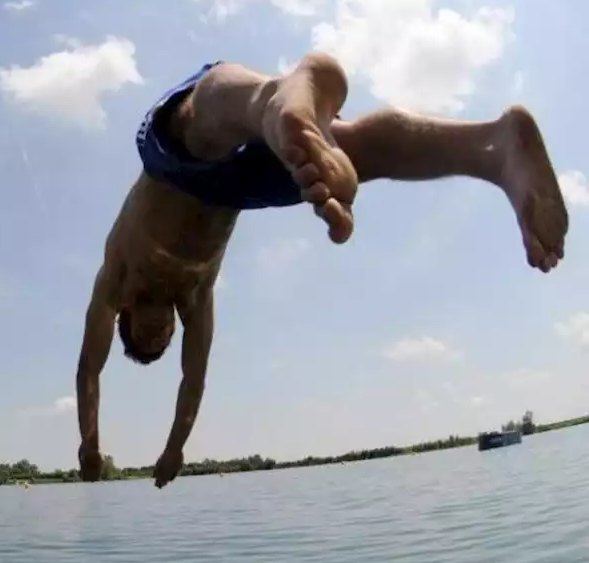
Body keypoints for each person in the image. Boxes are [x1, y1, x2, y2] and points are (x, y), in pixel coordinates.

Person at [75, 53, 568, 489]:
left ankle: (274, 98)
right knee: (359, 150)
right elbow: (193, 380)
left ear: (126, 318)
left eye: (146, 338)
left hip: (185, 151)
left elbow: (90, 369)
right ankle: (493, 146)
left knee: (196, 130)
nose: (161, 335)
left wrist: (88, 443)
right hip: (242, 185)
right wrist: (175, 448)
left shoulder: (115, 279)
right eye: (163, 342)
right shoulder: (196, 297)